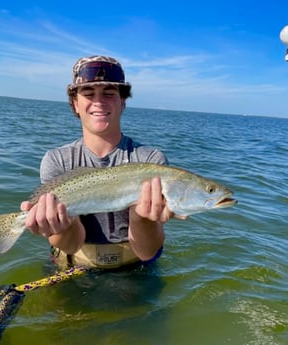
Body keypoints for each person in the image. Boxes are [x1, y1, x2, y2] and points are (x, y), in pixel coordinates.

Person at [21, 55, 175, 269]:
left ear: (122, 102)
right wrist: (60, 226)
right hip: (73, 268)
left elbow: (147, 251)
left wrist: (142, 218)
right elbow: (71, 244)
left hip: (134, 271)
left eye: (109, 94)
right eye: (88, 93)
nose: (99, 101)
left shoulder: (151, 161)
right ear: (75, 103)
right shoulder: (56, 160)